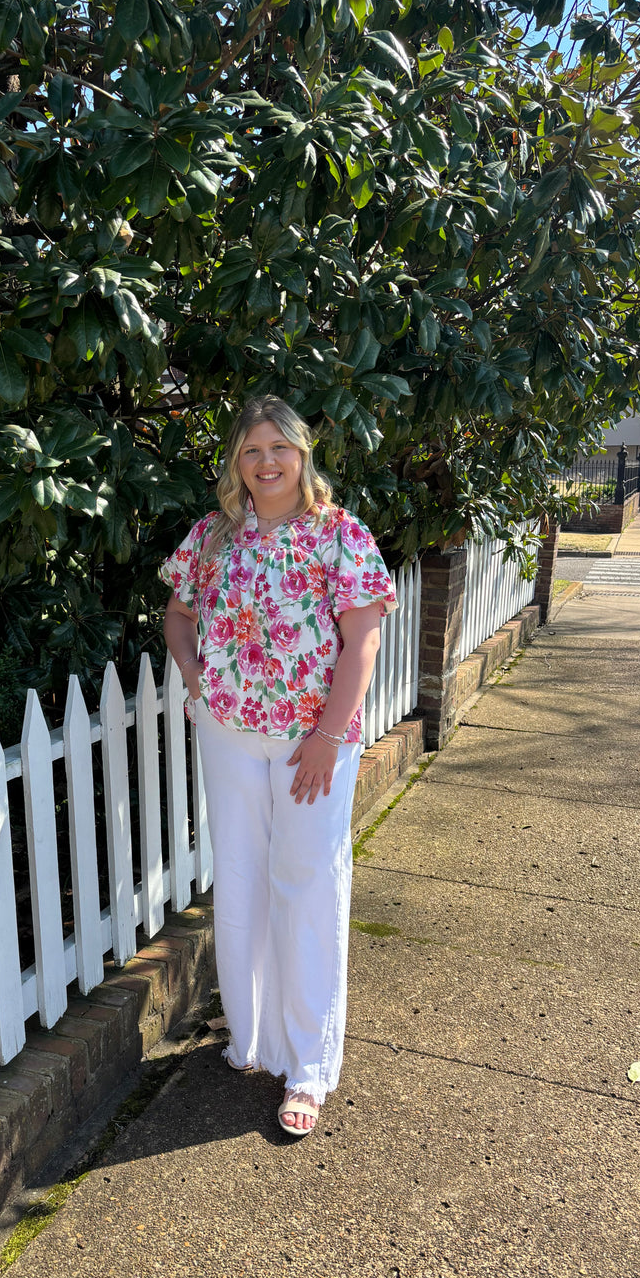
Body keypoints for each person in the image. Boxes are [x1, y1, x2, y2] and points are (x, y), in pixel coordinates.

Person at [160, 395, 397, 1137]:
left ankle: (309, 1064)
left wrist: (329, 734)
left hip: (311, 744)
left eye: (279, 448)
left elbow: (362, 641)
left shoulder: (338, 535)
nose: (266, 462)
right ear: (237, 461)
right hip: (231, 736)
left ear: (302, 454)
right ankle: (253, 1040)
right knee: (238, 878)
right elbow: (177, 614)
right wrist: (201, 684)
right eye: (252, 450)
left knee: (306, 883)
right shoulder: (213, 536)